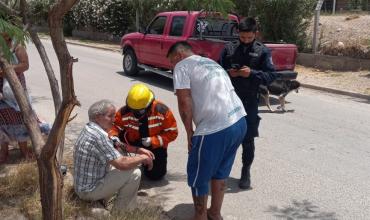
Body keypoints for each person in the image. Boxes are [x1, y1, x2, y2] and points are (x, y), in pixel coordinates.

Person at [167, 41, 247, 220]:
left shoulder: (182, 65)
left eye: (172, 61)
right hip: (239, 120)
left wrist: (189, 133)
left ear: (179, 55)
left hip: (215, 128)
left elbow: (184, 102)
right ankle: (215, 213)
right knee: (220, 171)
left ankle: (200, 216)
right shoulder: (210, 62)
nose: (173, 66)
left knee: (198, 176)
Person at [219, 17, 277, 189]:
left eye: (249, 38)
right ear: (238, 33)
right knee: (225, 136)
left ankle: (246, 171)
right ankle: (220, 170)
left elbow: (271, 75)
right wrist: (229, 73)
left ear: (255, 34)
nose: (245, 41)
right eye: (242, 37)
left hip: (250, 100)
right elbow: (217, 70)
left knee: (248, 138)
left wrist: (251, 73)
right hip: (229, 99)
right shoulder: (228, 49)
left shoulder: (263, 51)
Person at [73, 99, 154, 213]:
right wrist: (143, 158)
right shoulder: (98, 137)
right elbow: (122, 164)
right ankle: (122, 212)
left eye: (114, 116)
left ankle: (110, 201)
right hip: (88, 191)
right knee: (134, 172)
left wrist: (137, 150)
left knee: (121, 157)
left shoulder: (90, 129)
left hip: (83, 185)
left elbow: (116, 143)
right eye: (110, 116)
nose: (114, 119)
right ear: (97, 117)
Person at [109, 84, 178, 180]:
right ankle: (123, 164)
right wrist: (114, 137)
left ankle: (146, 162)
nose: (134, 113)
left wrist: (153, 141)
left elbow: (172, 133)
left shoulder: (162, 111)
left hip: (154, 145)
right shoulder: (124, 112)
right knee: (111, 143)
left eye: (139, 111)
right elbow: (113, 127)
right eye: (132, 110)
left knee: (156, 175)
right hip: (131, 141)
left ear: (148, 105)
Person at [0, 33, 49, 164]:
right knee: (2, 119)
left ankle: (24, 150)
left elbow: (25, 65)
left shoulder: (17, 46)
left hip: (14, 86)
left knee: (19, 118)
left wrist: (5, 70)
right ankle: (4, 151)